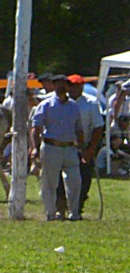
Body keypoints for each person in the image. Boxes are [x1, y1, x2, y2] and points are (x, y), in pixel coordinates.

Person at [31, 75, 85, 221]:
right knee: (49, 182)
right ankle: (50, 212)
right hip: (51, 147)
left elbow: (78, 128)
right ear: (53, 86)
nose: (62, 87)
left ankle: (74, 212)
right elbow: (36, 128)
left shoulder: (74, 106)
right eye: (58, 84)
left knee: (75, 181)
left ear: (68, 87)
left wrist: (83, 148)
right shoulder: (46, 105)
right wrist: (35, 148)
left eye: (64, 85)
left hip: (70, 148)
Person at [55, 74, 104, 215]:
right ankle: (60, 206)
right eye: (72, 86)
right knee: (59, 179)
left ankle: (78, 206)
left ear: (83, 86)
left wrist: (91, 149)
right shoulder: (59, 102)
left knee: (83, 178)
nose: (75, 89)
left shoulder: (91, 103)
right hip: (62, 146)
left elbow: (98, 128)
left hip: (82, 147)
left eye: (78, 86)